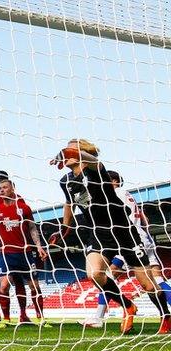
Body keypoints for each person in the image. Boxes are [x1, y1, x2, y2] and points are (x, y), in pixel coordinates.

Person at [49, 139, 170, 334]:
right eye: (67, 149)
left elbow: (96, 161)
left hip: (123, 231)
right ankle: (128, 305)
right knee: (94, 274)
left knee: (147, 283)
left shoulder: (96, 170)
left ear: (82, 153)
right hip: (97, 233)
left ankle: (166, 315)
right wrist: (64, 228)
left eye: (73, 149)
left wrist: (73, 152)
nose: (68, 153)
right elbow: (69, 203)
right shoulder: (66, 181)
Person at [81, 170, 171, 328]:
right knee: (156, 281)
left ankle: (99, 317)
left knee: (106, 275)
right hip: (144, 238)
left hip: (127, 239)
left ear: (114, 181)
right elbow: (145, 219)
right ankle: (165, 316)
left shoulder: (115, 194)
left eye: (106, 181)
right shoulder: (128, 195)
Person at [0, 179, 50, 328]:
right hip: (6, 254)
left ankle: (41, 319)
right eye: (0, 188)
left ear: (13, 188)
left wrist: (39, 246)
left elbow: (33, 228)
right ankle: (6, 320)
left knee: (35, 287)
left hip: (25, 253)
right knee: (3, 287)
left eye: (5, 187)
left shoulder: (24, 208)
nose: (2, 190)